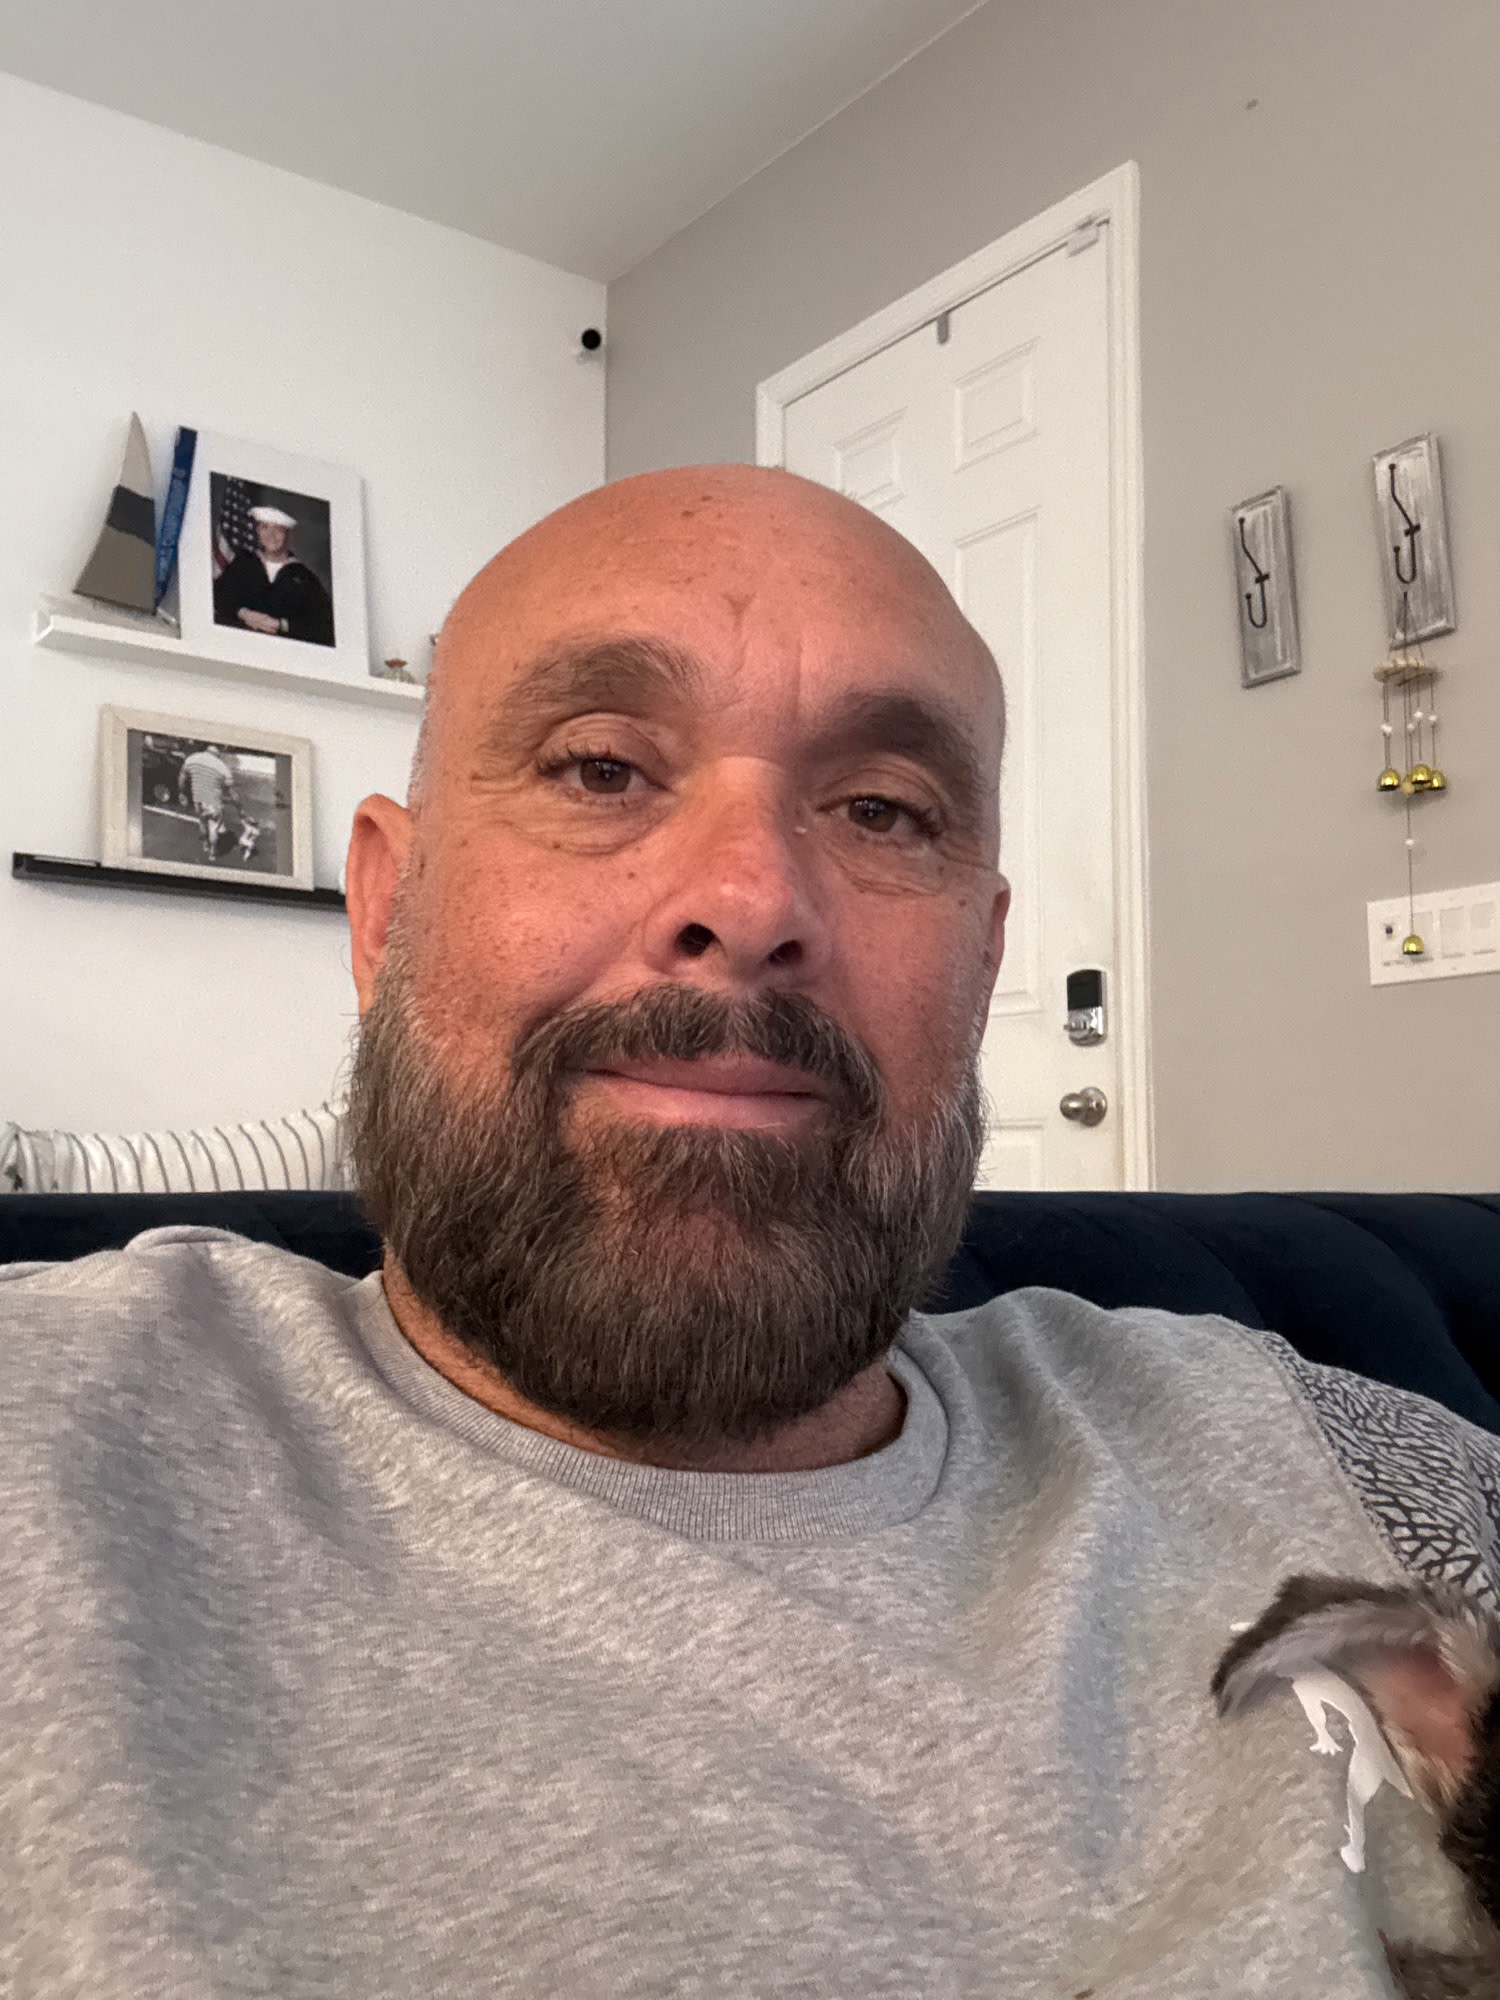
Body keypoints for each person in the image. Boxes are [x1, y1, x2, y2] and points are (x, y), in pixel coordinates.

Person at [1, 466, 1495, 1995]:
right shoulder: (43, 1445)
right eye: (601, 770)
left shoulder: (1322, 1453)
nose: (753, 895)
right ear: (385, 911)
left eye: (881, 810)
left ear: (983, 967)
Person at [213, 501, 335, 646]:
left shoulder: (304, 577)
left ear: (288, 535)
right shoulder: (243, 563)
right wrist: (244, 614)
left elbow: (323, 625)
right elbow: (218, 596)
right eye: (264, 527)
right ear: (257, 531)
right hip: (239, 644)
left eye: (278, 529)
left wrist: (280, 624)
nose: (270, 535)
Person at [177, 740, 238, 858]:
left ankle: (205, 844)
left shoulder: (192, 759)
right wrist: (239, 808)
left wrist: (182, 793)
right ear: (219, 749)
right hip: (214, 803)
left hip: (198, 800)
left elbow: (182, 777)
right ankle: (212, 853)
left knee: (202, 822)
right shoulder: (223, 767)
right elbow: (231, 792)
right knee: (213, 828)